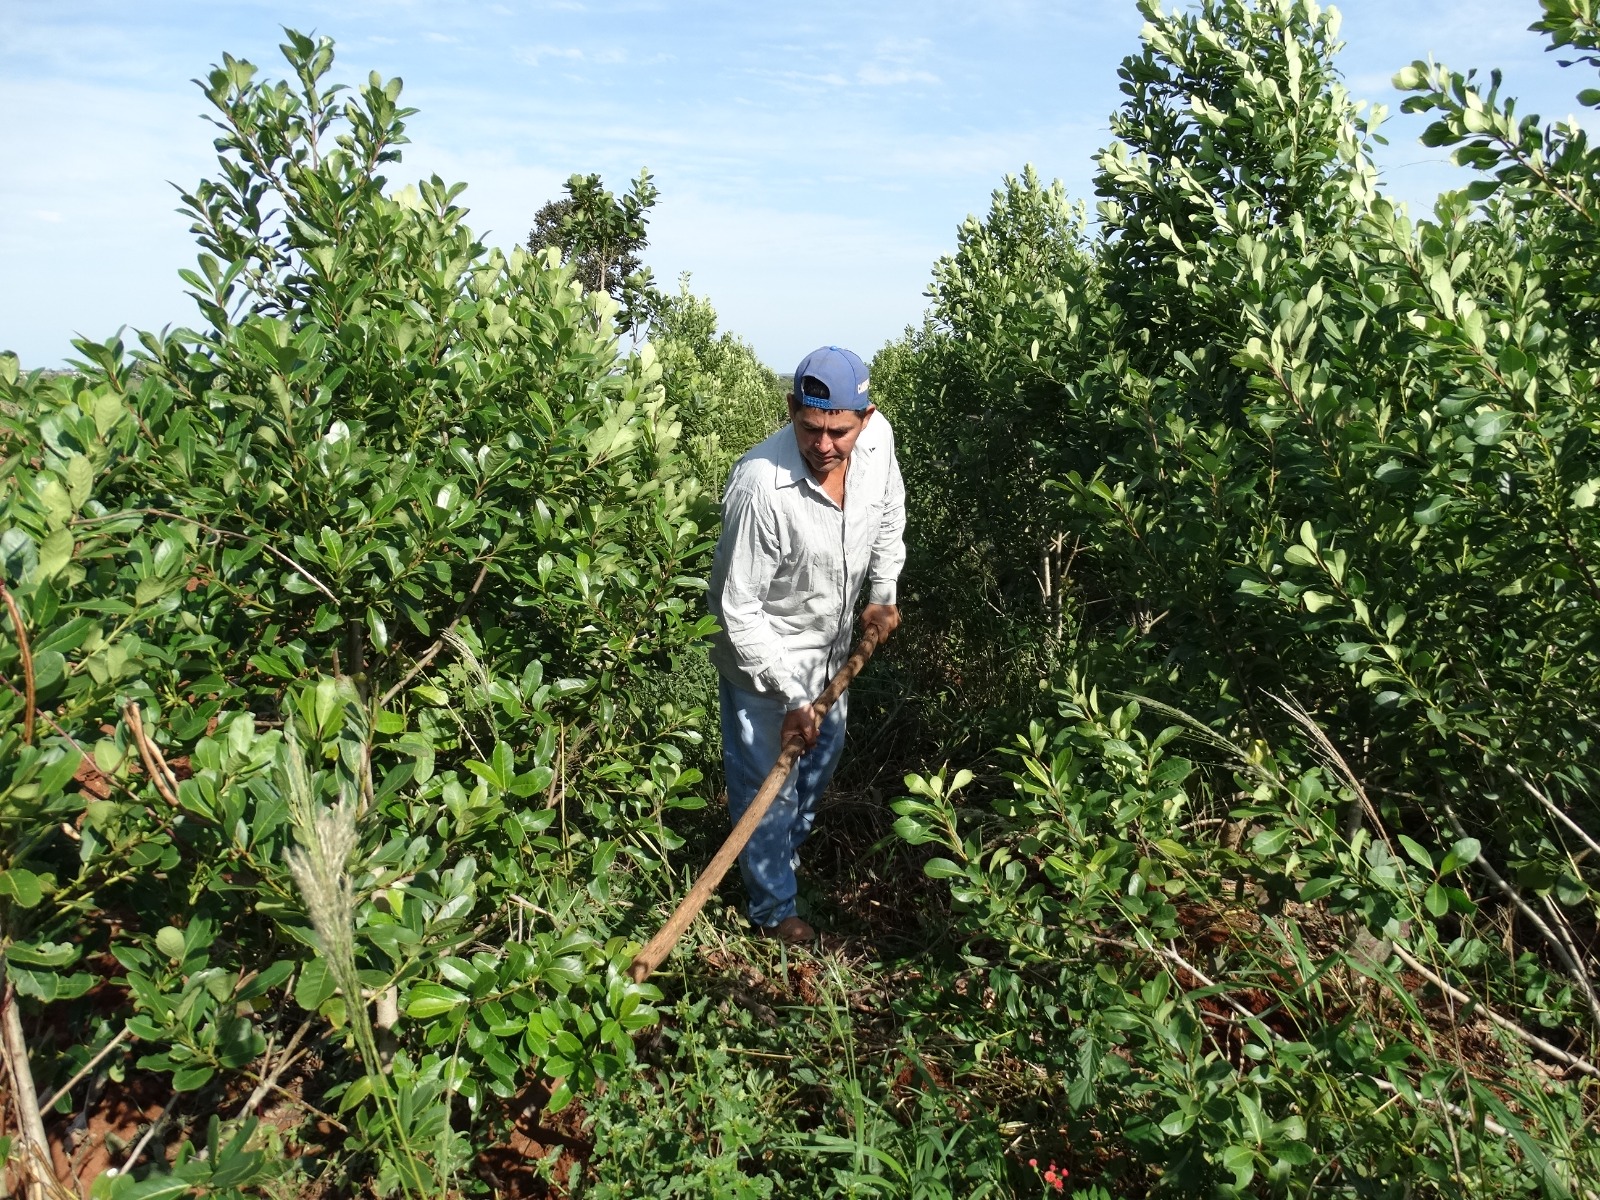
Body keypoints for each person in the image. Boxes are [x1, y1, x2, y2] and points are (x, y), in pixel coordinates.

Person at [707, 344, 906, 943]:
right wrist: (792, 696)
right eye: (809, 427)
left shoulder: (876, 444)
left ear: (864, 419)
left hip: (832, 644)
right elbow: (735, 609)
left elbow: (890, 512)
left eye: (837, 431)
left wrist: (883, 590)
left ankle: (782, 863)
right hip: (764, 657)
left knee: (817, 766)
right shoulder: (760, 486)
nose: (823, 445)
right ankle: (773, 912)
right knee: (768, 789)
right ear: (791, 409)